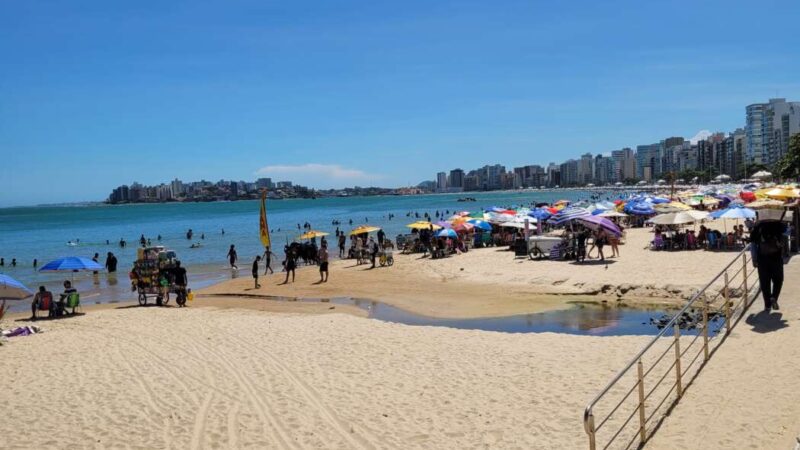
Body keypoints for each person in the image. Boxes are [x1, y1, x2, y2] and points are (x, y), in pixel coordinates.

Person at [750, 215, 787, 312]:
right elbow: (786, 233)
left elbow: (753, 243)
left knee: (764, 282)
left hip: (762, 258)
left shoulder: (758, 226)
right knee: (778, 280)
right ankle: (774, 297)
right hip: (776, 258)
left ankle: (767, 305)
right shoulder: (778, 224)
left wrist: (754, 259)